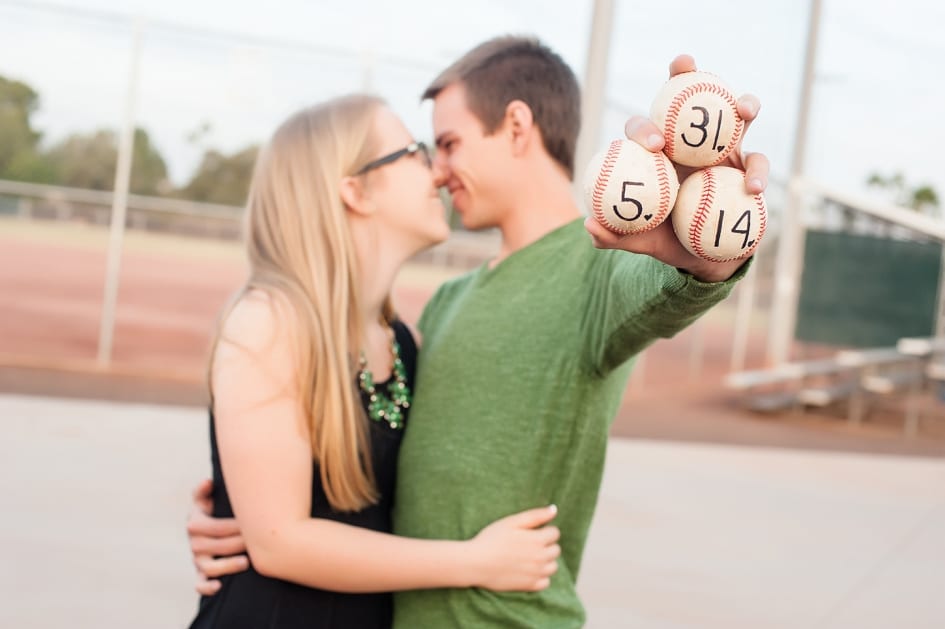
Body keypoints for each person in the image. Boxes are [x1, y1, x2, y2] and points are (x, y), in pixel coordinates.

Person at [188, 37, 771, 628]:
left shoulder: (597, 268)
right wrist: (246, 511)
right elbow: (367, 483)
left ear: (517, 126)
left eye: (447, 144)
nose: (439, 172)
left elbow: (665, 286)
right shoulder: (438, 308)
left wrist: (707, 252)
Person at [185, 93, 562, 629]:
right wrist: (475, 561)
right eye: (414, 152)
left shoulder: (403, 342)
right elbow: (279, 544)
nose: (436, 172)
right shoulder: (269, 322)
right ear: (355, 191)